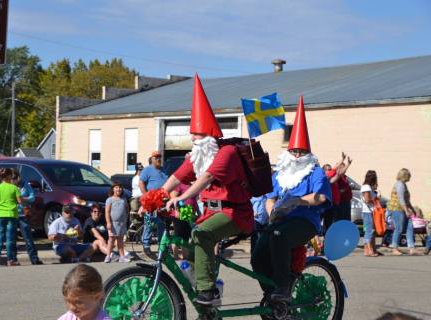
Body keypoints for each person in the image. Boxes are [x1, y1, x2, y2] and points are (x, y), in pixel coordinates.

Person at [163, 74, 253, 305]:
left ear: (210, 134)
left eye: (198, 134)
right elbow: (174, 179)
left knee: (201, 234)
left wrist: (181, 197)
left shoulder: (227, 153)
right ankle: (212, 288)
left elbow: (206, 178)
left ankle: (208, 290)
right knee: (191, 245)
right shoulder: (197, 156)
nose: (193, 138)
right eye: (192, 133)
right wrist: (150, 199)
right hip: (210, 213)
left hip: (235, 214)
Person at [251, 96, 332, 303]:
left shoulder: (315, 172)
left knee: (278, 236)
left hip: (305, 222)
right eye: (294, 151)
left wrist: (296, 201)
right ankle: (271, 293)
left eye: (301, 151)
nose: (297, 155)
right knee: (257, 255)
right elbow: (270, 198)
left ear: (308, 153)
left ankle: (283, 288)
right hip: (280, 221)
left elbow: (320, 196)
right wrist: (272, 213)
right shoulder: (280, 173)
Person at [0, 168, 22, 266]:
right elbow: (19, 201)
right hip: (11, 214)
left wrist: (1, 205)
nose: (12, 176)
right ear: (8, 176)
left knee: (0, 237)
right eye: (11, 175)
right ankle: (10, 259)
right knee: (9, 238)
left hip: (0, 215)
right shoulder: (14, 188)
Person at [139, 151, 168, 258]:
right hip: (151, 202)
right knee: (149, 223)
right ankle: (146, 246)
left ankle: (162, 245)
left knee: (162, 224)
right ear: (151, 159)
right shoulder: (147, 170)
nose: (158, 159)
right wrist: (145, 195)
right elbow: (141, 182)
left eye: (159, 157)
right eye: (156, 157)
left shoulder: (164, 170)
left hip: (163, 202)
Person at [12, 170, 43, 265]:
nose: (13, 180)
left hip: (23, 215)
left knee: (28, 238)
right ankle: (13, 259)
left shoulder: (25, 185)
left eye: (14, 178)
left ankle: (34, 259)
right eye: (11, 178)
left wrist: (22, 199)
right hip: (12, 214)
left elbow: (32, 197)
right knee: (12, 239)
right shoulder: (9, 186)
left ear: (18, 177)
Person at [387, 168, 419, 255]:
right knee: (399, 228)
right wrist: (406, 210)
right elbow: (401, 200)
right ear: (405, 176)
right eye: (409, 175)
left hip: (403, 209)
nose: (410, 177)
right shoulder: (399, 185)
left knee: (410, 227)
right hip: (396, 209)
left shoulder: (404, 184)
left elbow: (406, 199)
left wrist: (412, 209)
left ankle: (412, 248)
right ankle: (394, 248)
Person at [104, 182, 130, 263]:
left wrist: (126, 218)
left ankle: (122, 256)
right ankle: (108, 256)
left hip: (121, 223)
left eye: (120, 187)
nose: (118, 189)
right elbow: (107, 212)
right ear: (113, 189)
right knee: (111, 240)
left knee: (120, 240)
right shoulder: (109, 200)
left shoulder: (124, 199)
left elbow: (127, 209)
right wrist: (108, 222)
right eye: (116, 187)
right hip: (112, 223)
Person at [360, 170, 382, 257]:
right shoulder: (366, 187)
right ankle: (370, 250)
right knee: (369, 231)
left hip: (369, 212)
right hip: (367, 212)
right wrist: (377, 197)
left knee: (370, 231)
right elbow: (367, 200)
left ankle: (368, 250)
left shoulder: (368, 187)